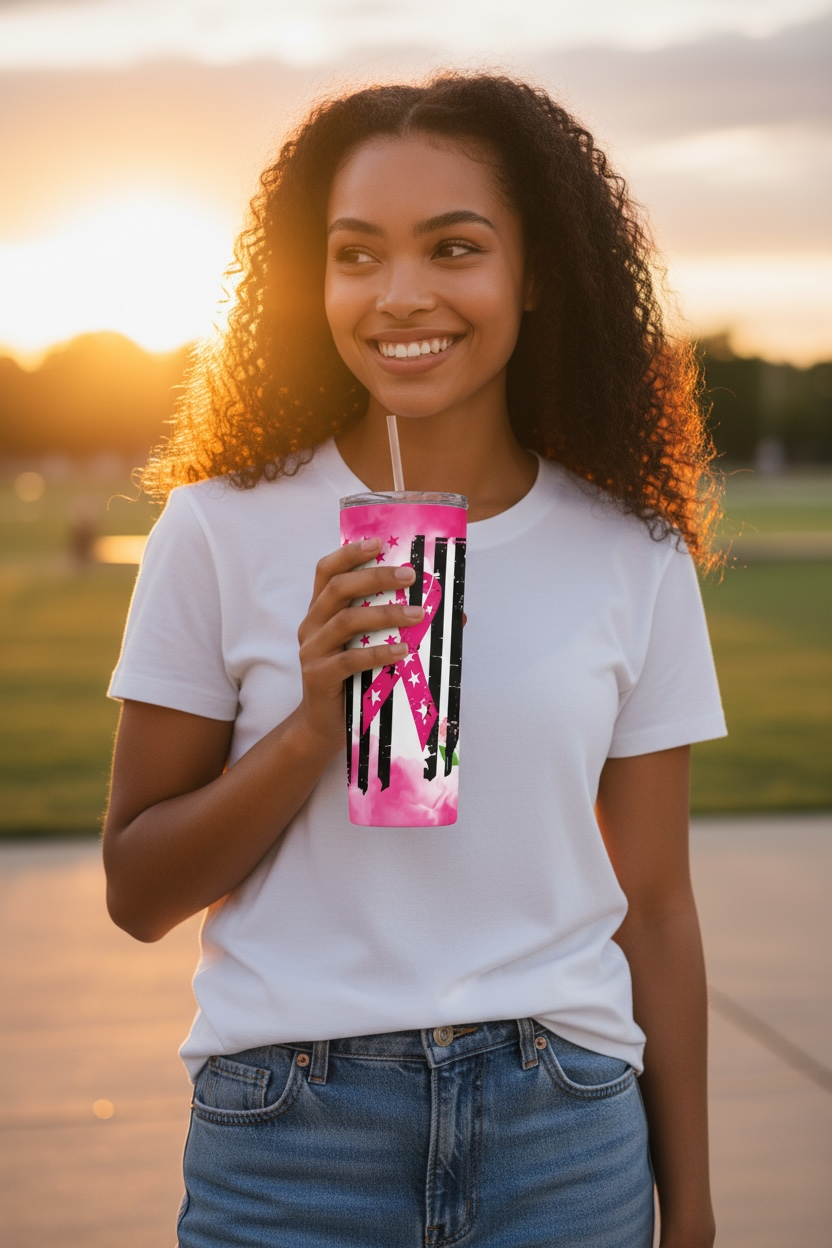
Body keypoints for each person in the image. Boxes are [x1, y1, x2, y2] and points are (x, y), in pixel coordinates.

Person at [104, 73, 726, 1248]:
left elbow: (653, 904)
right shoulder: (218, 528)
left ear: (535, 274)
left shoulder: (630, 552)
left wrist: (687, 1207)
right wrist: (307, 726)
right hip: (292, 1136)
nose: (399, 296)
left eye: (453, 248)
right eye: (355, 255)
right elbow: (138, 893)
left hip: (565, 1125)